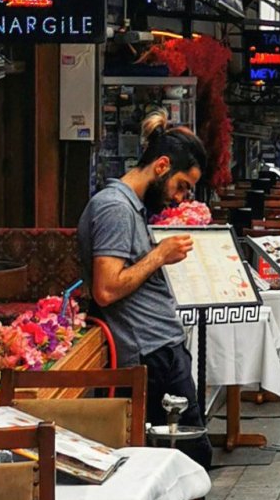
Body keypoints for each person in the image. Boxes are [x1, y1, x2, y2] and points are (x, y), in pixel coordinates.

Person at [78, 114, 212, 469]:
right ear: (162, 166)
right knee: (188, 453)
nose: (179, 198)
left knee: (185, 454)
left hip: (159, 348)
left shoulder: (130, 208)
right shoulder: (115, 208)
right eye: (181, 186)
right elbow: (106, 288)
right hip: (149, 353)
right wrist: (159, 255)